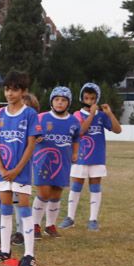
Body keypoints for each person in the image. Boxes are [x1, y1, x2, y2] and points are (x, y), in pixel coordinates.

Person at [0, 71, 42, 266]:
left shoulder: (30, 114)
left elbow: (31, 144)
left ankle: (29, 255)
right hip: (3, 170)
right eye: (7, 89)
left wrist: (17, 169)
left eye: (15, 89)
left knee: (24, 210)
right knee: (5, 208)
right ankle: (5, 250)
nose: (10, 93)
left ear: (23, 91)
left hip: (21, 172)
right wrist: (0, 167)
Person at [59, 82, 122, 231]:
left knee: (95, 187)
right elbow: (80, 131)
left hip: (97, 157)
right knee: (76, 186)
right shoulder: (77, 114)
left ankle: (93, 219)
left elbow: (118, 130)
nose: (89, 101)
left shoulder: (102, 115)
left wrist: (109, 114)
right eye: (86, 98)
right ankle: (70, 217)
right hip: (80, 157)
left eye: (92, 98)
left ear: (97, 99)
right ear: (82, 98)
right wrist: (92, 113)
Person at [31, 87, 81, 238]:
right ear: (52, 101)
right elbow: (30, 135)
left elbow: (76, 138)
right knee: (44, 193)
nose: (60, 103)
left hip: (63, 162)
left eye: (64, 100)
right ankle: (34, 225)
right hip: (43, 161)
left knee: (56, 193)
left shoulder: (73, 121)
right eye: (57, 99)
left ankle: (50, 226)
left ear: (68, 103)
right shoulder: (41, 118)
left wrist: (75, 152)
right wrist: (35, 138)